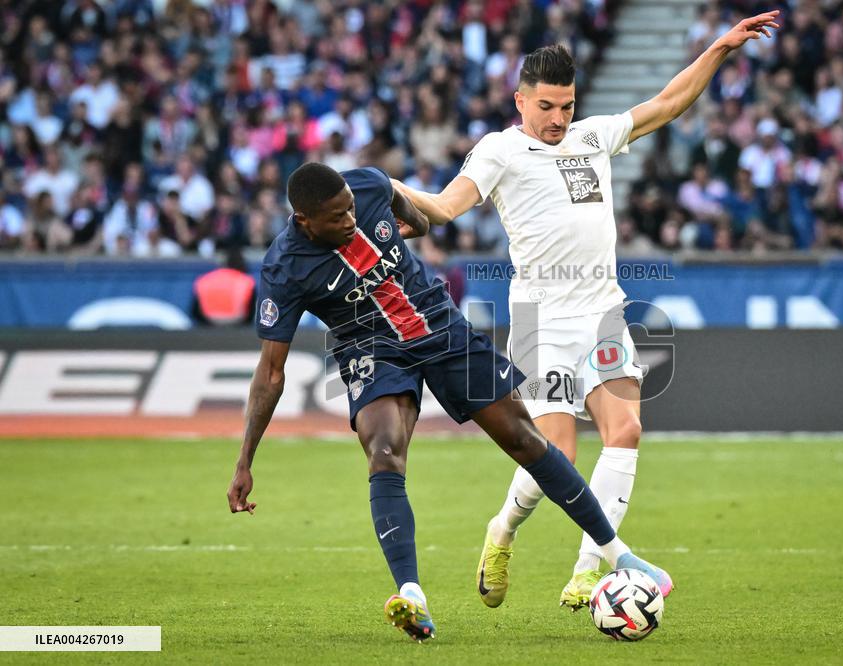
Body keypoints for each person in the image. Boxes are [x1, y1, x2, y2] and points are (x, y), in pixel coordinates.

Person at [394, 10, 781, 610]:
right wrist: (382, 188)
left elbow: (667, 104)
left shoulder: (593, 136)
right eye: (546, 107)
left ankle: (587, 570)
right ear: (521, 100)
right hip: (541, 320)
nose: (557, 119)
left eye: (566, 106)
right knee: (558, 451)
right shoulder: (499, 151)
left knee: (625, 429)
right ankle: (502, 530)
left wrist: (721, 48)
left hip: (603, 310)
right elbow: (445, 207)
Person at [225, 162, 673, 642]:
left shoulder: (370, 185)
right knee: (384, 452)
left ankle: (618, 554)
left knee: (527, 440)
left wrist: (414, 224)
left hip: (440, 326)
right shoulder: (283, 268)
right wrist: (245, 459)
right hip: (371, 349)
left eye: (351, 209)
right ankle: (411, 595)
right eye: (337, 217)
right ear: (304, 220)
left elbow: (412, 214)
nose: (351, 220)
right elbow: (271, 373)